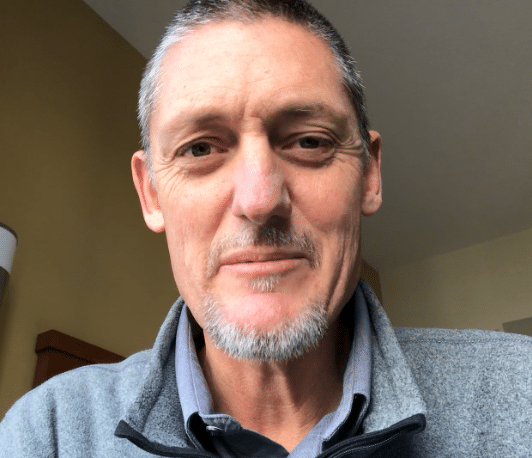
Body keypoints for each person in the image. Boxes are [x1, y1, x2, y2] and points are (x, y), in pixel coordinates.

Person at [1, 1, 531, 456]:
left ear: (369, 175)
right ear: (151, 194)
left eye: (309, 141)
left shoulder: (520, 391)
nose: (259, 201)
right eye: (200, 149)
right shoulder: (47, 433)